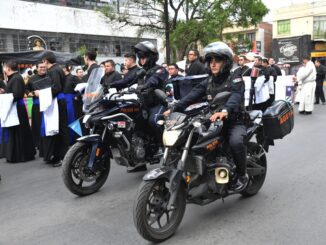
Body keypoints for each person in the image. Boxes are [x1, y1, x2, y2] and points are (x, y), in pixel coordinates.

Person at [164, 42, 248, 191]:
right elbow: (192, 95)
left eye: (218, 61)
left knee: (235, 142)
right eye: (211, 61)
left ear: (226, 62)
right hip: (213, 119)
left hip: (234, 120)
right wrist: (175, 107)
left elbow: (236, 95)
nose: (213, 64)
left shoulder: (235, 77)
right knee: (193, 137)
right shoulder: (208, 81)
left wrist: (226, 110)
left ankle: (242, 175)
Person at [131, 41, 169, 172]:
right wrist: (112, 85)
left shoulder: (160, 70)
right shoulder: (140, 71)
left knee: (154, 121)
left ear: (151, 57)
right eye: (140, 57)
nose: (141, 59)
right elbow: (127, 80)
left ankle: (167, 150)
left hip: (158, 104)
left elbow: (153, 81)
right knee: (133, 124)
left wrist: (144, 86)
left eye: (144, 56)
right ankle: (139, 160)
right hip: (143, 105)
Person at [38, 51, 69, 166]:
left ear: (45, 60)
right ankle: (57, 156)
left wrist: (40, 93)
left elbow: (56, 88)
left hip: (58, 102)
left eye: (43, 61)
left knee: (61, 129)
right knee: (57, 129)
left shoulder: (54, 70)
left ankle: (63, 157)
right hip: (58, 101)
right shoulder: (57, 69)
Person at [1, 60, 35, 163]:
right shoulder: (15, 78)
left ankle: (20, 155)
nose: (4, 69)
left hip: (17, 109)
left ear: (8, 68)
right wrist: (5, 92)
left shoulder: (16, 78)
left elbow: (16, 95)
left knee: (19, 131)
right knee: (16, 132)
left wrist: (4, 96)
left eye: (4, 67)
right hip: (16, 108)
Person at [25, 61, 47, 149]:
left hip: (48, 104)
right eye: (41, 67)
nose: (43, 68)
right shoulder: (32, 79)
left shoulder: (49, 77)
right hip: (37, 105)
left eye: (44, 67)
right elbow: (26, 89)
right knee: (37, 124)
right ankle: (38, 143)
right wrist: (29, 93)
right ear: (37, 68)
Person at [62, 63, 83, 144]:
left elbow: (81, 87)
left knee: (72, 120)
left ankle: (75, 139)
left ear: (65, 68)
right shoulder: (61, 78)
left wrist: (77, 96)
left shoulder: (73, 77)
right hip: (63, 101)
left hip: (71, 102)